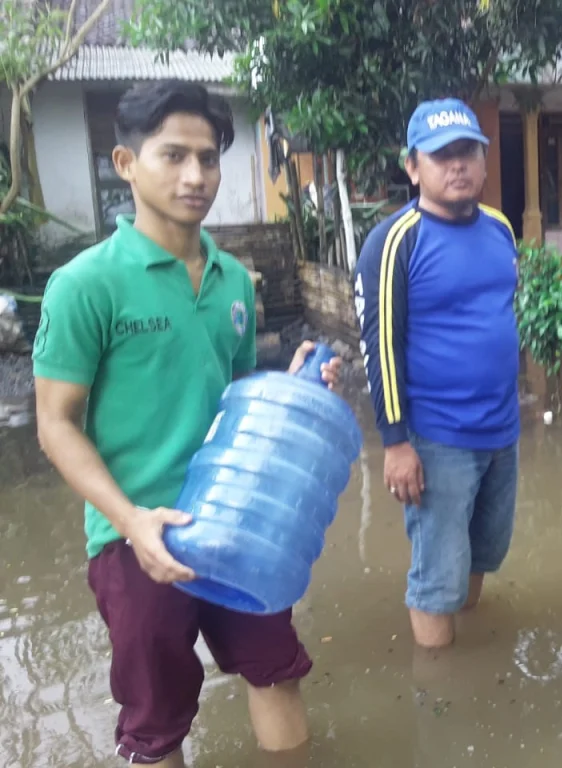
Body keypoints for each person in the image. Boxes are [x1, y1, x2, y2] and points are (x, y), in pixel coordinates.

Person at [32, 80, 342, 767]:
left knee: (274, 667)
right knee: (155, 721)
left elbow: (230, 398)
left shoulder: (233, 280)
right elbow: (55, 425)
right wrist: (133, 520)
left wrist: (283, 391)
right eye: (173, 156)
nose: (196, 176)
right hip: (133, 531)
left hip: (235, 519)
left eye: (207, 158)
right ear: (125, 163)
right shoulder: (86, 284)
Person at [353, 97, 520, 649]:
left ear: (484, 159)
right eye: (442, 155)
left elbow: (500, 314)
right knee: (435, 577)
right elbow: (380, 349)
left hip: (501, 431)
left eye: (467, 152)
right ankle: (442, 693)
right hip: (437, 438)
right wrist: (396, 443)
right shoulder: (394, 241)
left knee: (482, 555)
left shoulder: (499, 228)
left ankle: (470, 654)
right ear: (412, 166)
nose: (458, 166)